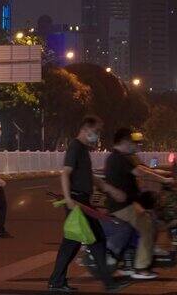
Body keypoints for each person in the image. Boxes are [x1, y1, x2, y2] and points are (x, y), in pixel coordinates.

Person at [48, 115, 128, 293]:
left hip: (82, 201)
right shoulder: (75, 147)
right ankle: (108, 283)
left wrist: (108, 188)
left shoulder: (83, 149)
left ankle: (57, 281)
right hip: (77, 202)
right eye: (96, 131)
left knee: (78, 243)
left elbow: (88, 176)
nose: (97, 135)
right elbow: (65, 173)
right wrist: (68, 200)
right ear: (85, 130)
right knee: (92, 240)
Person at [104, 128, 173, 280]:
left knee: (150, 217)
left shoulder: (124, 157)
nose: (133, 145)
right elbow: (141, 173)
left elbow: (143, 169)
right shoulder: (118, 158)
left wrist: (163, 174)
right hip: (122, 206)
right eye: (131, 142)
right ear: (123, 142)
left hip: (128, 203)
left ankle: (131, 261)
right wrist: (164, 180)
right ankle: (141, 268)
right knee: (147, 225)